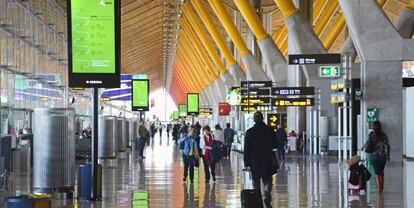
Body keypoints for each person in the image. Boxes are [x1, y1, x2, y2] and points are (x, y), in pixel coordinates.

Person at [244, 111, 281, 208]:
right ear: (263, 118)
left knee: (255, 183)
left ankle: (258, 200)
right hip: (267, 160)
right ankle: (267, 196)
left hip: (254, 161)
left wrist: (246, 163)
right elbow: (275, 144)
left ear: (254, 120)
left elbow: (247, 149)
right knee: (267, 180)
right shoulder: (269, 130)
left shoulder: (250, 132)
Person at [363, 121, 390, 193]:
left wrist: (362, 147)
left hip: (374, 156)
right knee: (381, 172)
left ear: (374, 127)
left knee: (377, 173)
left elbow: (367, 143)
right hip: (382, 156)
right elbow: (388, 145)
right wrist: (388, 155)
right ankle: (381, 188)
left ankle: (379, 189)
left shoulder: (371, 134)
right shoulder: (383, 135)